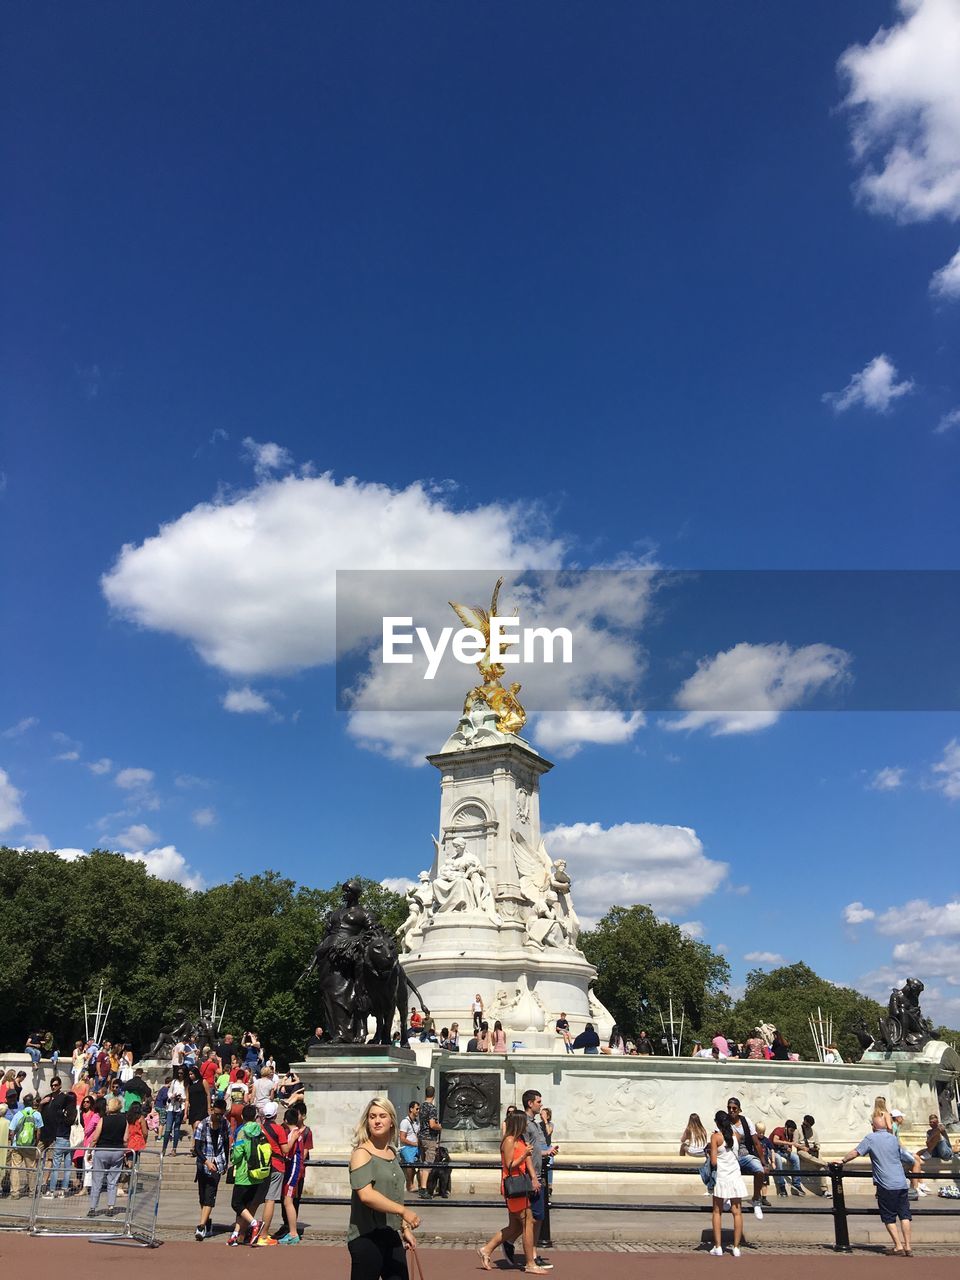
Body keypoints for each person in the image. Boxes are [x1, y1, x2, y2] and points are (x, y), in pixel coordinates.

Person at [347, 1097, 421, 1280]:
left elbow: (394, 1193)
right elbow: (366, 1195)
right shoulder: (361, 1153)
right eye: (372, 1117)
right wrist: (403, 1211)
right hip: (366, 1236)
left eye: (382, 1116)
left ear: (391, 1121)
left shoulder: (392, 1152)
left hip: (390, 1233)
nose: (377, 1121)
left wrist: (404, 1229)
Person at [835, 1112, 923, 1256]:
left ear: (873, 1126)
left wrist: (842, 1161)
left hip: (886, 1183)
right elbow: (900, 1155)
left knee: (889, 1216)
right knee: (905, 1215)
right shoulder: (893, 1139)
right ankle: (908, 1246)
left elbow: (856, 1152)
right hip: (901, 1182)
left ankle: (898, 1246)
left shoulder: (871, 1138)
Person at [477, 1109, 549, 1274]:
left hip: (521, 1184)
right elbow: (509, 1165)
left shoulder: (519, 1139)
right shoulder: (509, 1140)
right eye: (523, 1122)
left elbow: (527, 1160)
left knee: (515, 1226)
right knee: (527, 1222)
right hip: (514, 1186)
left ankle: (486, 1249)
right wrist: (524, 1155)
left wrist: (533, 1177)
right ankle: (530, 1263)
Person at [709, 1108, 747, 1256]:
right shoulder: (736, 1136)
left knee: (717, 1212)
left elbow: (713, 1161)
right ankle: (736, 1248)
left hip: (722, 1177)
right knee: (737, 1213)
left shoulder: (715, 1137)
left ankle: (718, 1246)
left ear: (716, 1123)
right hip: (735, 1176)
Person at [191, 1096, 230, 1240]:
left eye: (221, 1114)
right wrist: (206, 1162)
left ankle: (200, 1226)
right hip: (203, 1163)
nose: (219, 1117)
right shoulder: (203, 1124)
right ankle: (207, 1223)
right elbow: (197, 1148)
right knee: (202, 1196)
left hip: (218, 1163)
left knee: (210, 1195)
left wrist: (226, 1162)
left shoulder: (225, 1124)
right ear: (212, 1110)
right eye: (217, 1114)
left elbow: (226, 1144)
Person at [228, 1104, 266, 1246]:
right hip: (256, 1173)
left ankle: (255, 1224)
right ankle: (235, 1235)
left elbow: (237, 1155)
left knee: (236, 1204)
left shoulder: (242, 1131)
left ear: (243, 1116)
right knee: (244, 1206)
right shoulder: (259, 1130)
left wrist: (233, 1156)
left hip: (243, 1173)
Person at [87, 1096, 128, 1218]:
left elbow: (95, 1137)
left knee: (97, 1180)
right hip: (117, 1151)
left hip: (102, 1150)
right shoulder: (124, 1120)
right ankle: (111, 1206)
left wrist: (89, 1151)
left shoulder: (103, 1119)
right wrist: (124, 1151)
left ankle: (93, 1208)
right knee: (113, 1181)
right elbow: (126, 1139)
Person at [726, 1098, 766, 1215]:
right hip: (730, 1155)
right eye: (729, 1108)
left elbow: (756, 1142)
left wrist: (763, 1161)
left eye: (734, 1108)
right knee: (727, 1171)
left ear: (739, 1109)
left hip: (745, 1154)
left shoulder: (746, 1121)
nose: (731, 1110)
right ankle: (727, 1197)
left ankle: (756, 1199)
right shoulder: (724, 1121)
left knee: (759, 1171)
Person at [39, 1076, 76, 1198]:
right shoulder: (47, 1097)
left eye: (55, 1085)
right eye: (52, 1085)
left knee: (52, 1161)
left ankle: (46, 1184)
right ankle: (38, 1183)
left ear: (60, 1085)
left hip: (56, 1135)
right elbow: (39, 1112)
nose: (53, 1087)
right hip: (43, 1133)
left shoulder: (63, 1098)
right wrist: (41, 1103)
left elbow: (69, 1113)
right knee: (37, 1158)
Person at [276, 1105, 306, 1244]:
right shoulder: (295, 1131)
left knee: (288, 1202)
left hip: (293, 1169)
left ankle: (293, 1233)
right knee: (288, 1201)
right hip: (293, 1168)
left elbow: (287, 1150)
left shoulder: (293, 1133)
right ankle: (291, 1231)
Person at [9, 1092, 43, 1198]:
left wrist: (13, 1141)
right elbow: (38, 1131)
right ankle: (32, 1192)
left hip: (17, 1145)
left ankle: (15, 1192)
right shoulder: (37, 1114)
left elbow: (11, 1131)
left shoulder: (18, 1114)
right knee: (31, 1169)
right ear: (32, 1102)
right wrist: (35, 1142)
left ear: (23, 1103)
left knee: (15, 1168)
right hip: (30, 1145)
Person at [418, 1086, 441, 1201]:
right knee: (428, 1163)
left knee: (423, 1163)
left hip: (421, 1137)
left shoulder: (421, 1107)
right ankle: (423, 1188)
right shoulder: (432, 1108)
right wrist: (439, 1127)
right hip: (429, 1138)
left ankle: (421, 1187)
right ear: (434, 1095)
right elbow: (432, 1125)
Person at [770, 1119, 805, 1195]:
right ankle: (781, 1185)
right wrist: (788, 1143)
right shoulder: (779, 1130)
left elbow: (790, 1146)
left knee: (795, 1158)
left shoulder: (790, 1134)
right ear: (786, 1127)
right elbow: (775, 1140)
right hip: (773, 1151)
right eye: (791, 1130)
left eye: (793, 1131)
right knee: (778, 1159)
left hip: (783, 1151)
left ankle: (796, 1184)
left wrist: (789, 1149)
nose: (792, 1132)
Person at [399, 1101, 422, 1194]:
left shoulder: (417, 1122)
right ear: (411, 1109)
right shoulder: (405, 1122)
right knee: (410, 1163)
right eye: (417, 1109)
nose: (418, 1111)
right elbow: (402, 1139)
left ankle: (422, 1185)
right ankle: (409, 1184)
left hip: (416, 1147)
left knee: (423, 1164)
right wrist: (414, 1144)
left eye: (419, 1109)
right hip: (406, 1147)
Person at [162, 1067, 186, 1156]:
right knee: (168, 1129)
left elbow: (187, 1096)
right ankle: (164, 1148)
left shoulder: (186, 1083)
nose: (179, 1075)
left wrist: (182, 1098)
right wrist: (172, 1096)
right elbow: (169, 1092)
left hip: (180, 1107)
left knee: (176, 1129)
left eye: (181, 1073)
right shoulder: (174, 1082)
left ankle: (174, 1149)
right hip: (171, 1107)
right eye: (178, 1073)